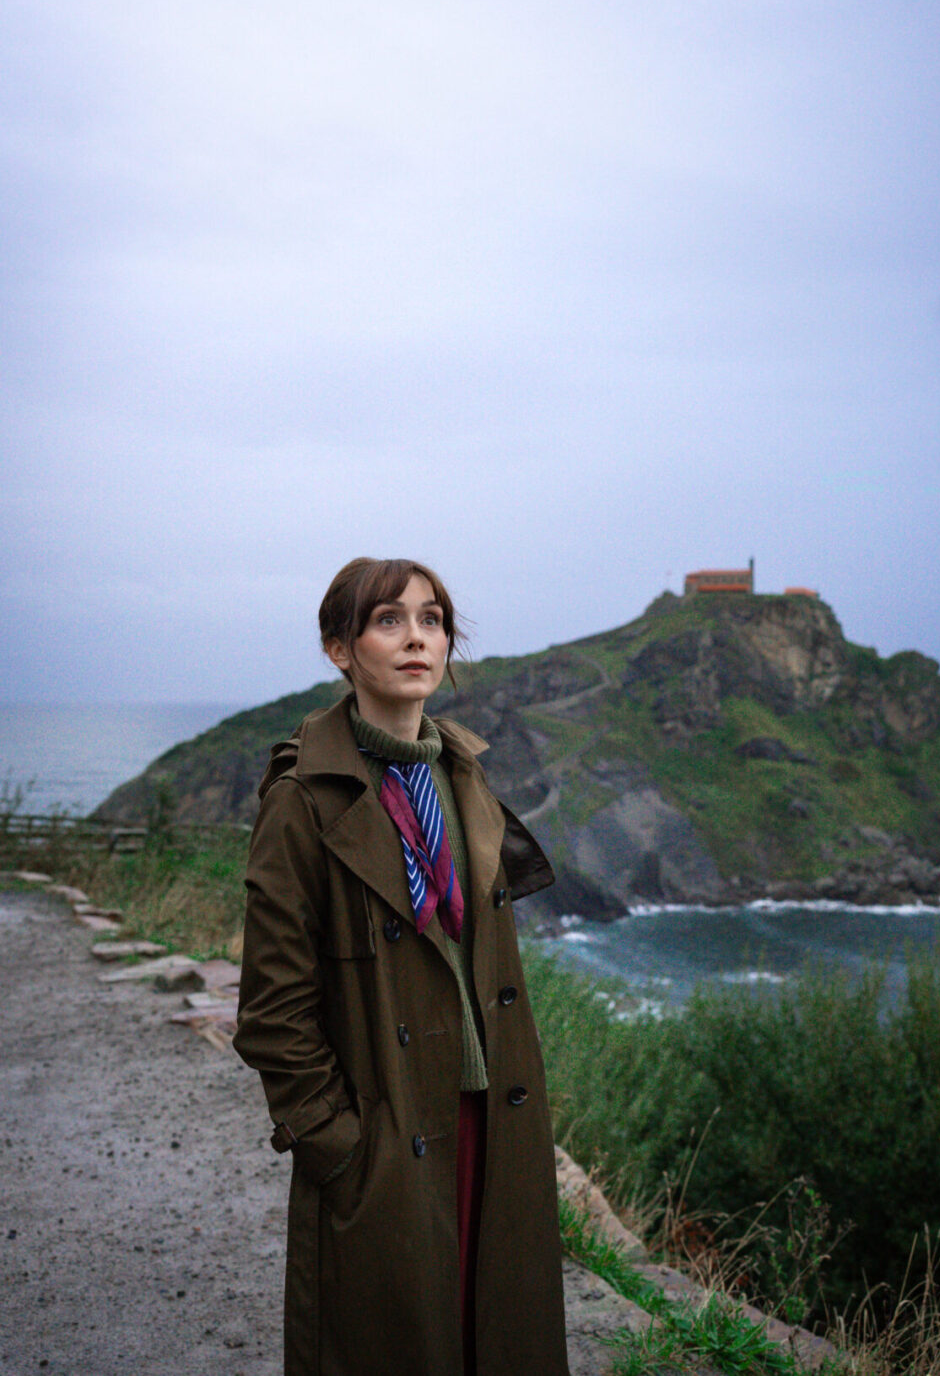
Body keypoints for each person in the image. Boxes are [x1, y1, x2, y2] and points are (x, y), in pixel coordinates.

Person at [233, 557, 570, 1376]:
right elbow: (273, 1011)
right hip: (390, 1135)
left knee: (491, 1340)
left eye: (432, 619)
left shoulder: (463, 775)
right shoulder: (303, 798)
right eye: (389, 620)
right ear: (338, 648)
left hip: (492, 1121)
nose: (417, 637)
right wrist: (340, 1146)